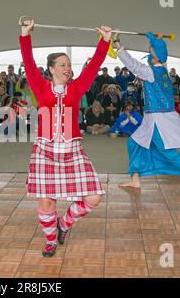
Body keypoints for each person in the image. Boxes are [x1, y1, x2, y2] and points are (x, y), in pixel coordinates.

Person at [20, 19, 111, 257]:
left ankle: (64, 223)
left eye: (69, 65)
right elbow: (28, 62)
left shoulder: (77, 87)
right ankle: (50, 240)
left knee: (94, 197)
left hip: (72, 150)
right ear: (51, 69)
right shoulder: (40, 86)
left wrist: (104, 40)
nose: (67, 68)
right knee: (46, 203)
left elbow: (94, 66)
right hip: (46, 150)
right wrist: (25, 34)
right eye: (62, 64)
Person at [113, 31, 180, 199]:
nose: (149, 55)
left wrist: (117, 41)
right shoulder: (163, 71)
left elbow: (131, 64)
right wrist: (156, 41)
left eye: (151, 53)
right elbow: (156, 53)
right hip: (154, 119)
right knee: (134, 143)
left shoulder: (151, 72)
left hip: (157, 121)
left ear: (156, 57)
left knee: (169, 154)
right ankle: (135, 180)